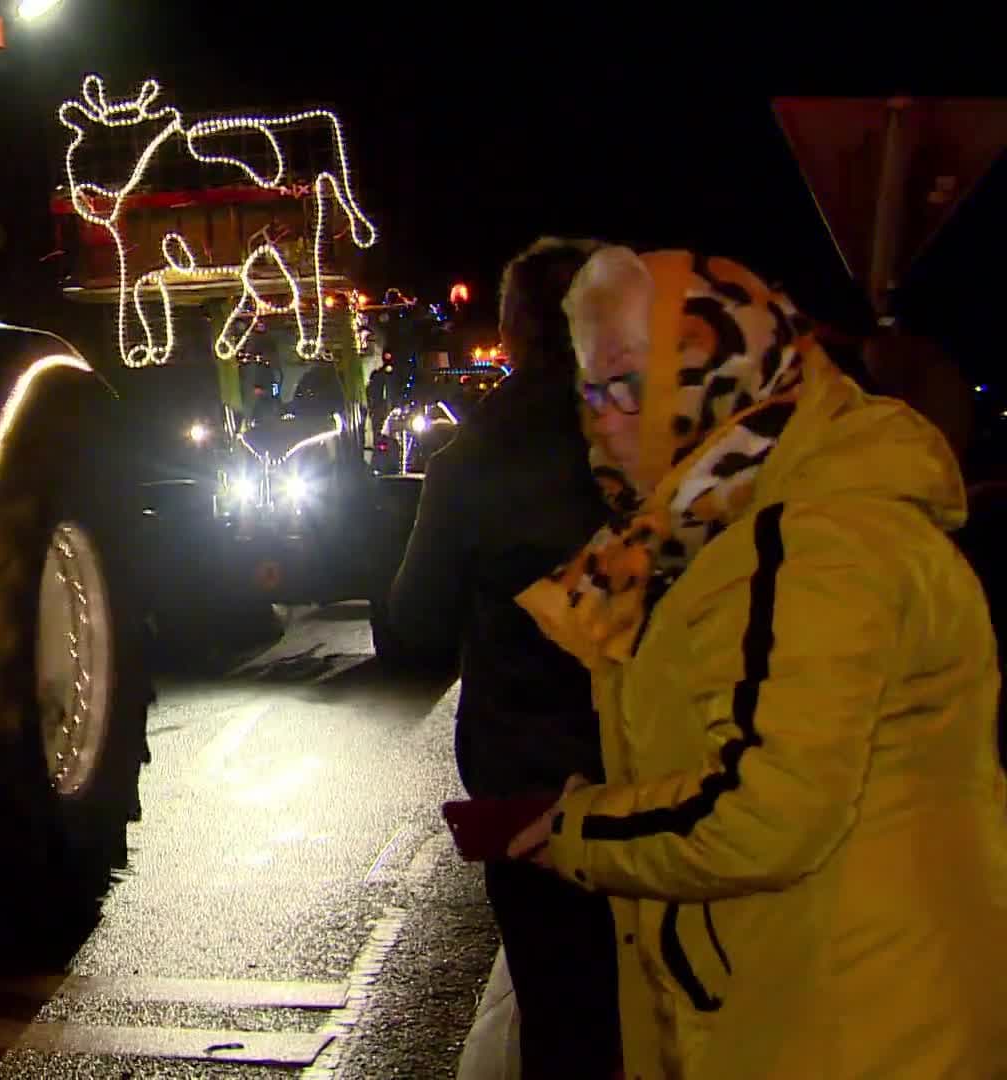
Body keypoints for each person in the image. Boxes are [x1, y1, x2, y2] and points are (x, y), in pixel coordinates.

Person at [507, 247, 1007, 1080]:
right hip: (807, 1002)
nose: (604, 422)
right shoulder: (713, 529)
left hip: (857, 1033)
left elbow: (761, 816)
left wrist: (580, 830)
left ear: (717, 369)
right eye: (590, 391)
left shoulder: (811, 540)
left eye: (627, 383)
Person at [388, 237, 620, 1079]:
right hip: (657, 770)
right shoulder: (659, 433)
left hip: (525, 780)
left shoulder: (472, 458)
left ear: (514, 328)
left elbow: (413, 623)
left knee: (558, 1010)